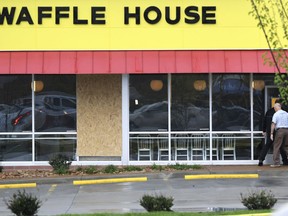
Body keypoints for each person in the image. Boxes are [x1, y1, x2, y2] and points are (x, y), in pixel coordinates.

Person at [258, 101, 288, 166]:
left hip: (273, 131)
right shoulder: (285, 112)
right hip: (283, 131)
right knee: (282, 147)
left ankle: (261, 160)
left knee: (269, 146)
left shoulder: (269, 112)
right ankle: (285, 161)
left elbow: (266, 121)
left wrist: (265, 131)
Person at [270, 103, 288, 167]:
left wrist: (271, 133)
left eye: (274, 108)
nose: (274, 109)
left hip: (280, 131)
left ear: (277, 107)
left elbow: (273, 124)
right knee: (286, 146)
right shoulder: (286, 113)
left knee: (276, 146)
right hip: (287, 130)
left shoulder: (276, 114)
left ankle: (276, 163)